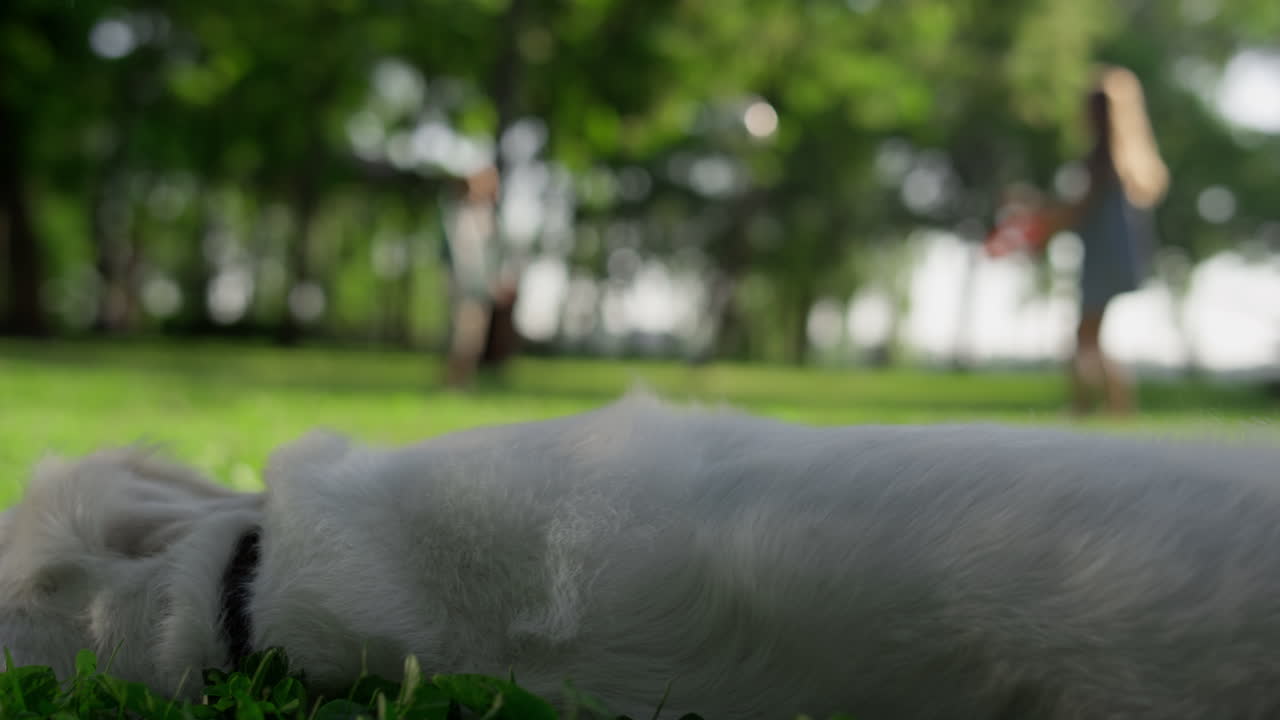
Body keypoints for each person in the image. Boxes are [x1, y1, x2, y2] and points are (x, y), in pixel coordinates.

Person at [994, 66, 1169, 416]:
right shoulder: (1134, 161)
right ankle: (1112, 409)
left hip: (1103, 258)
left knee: (1084, 336)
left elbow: (1076, 212)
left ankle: (1090, 408)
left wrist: (1031, 210)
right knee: (1090, 335)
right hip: (1123, 258)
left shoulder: (1101, 160)